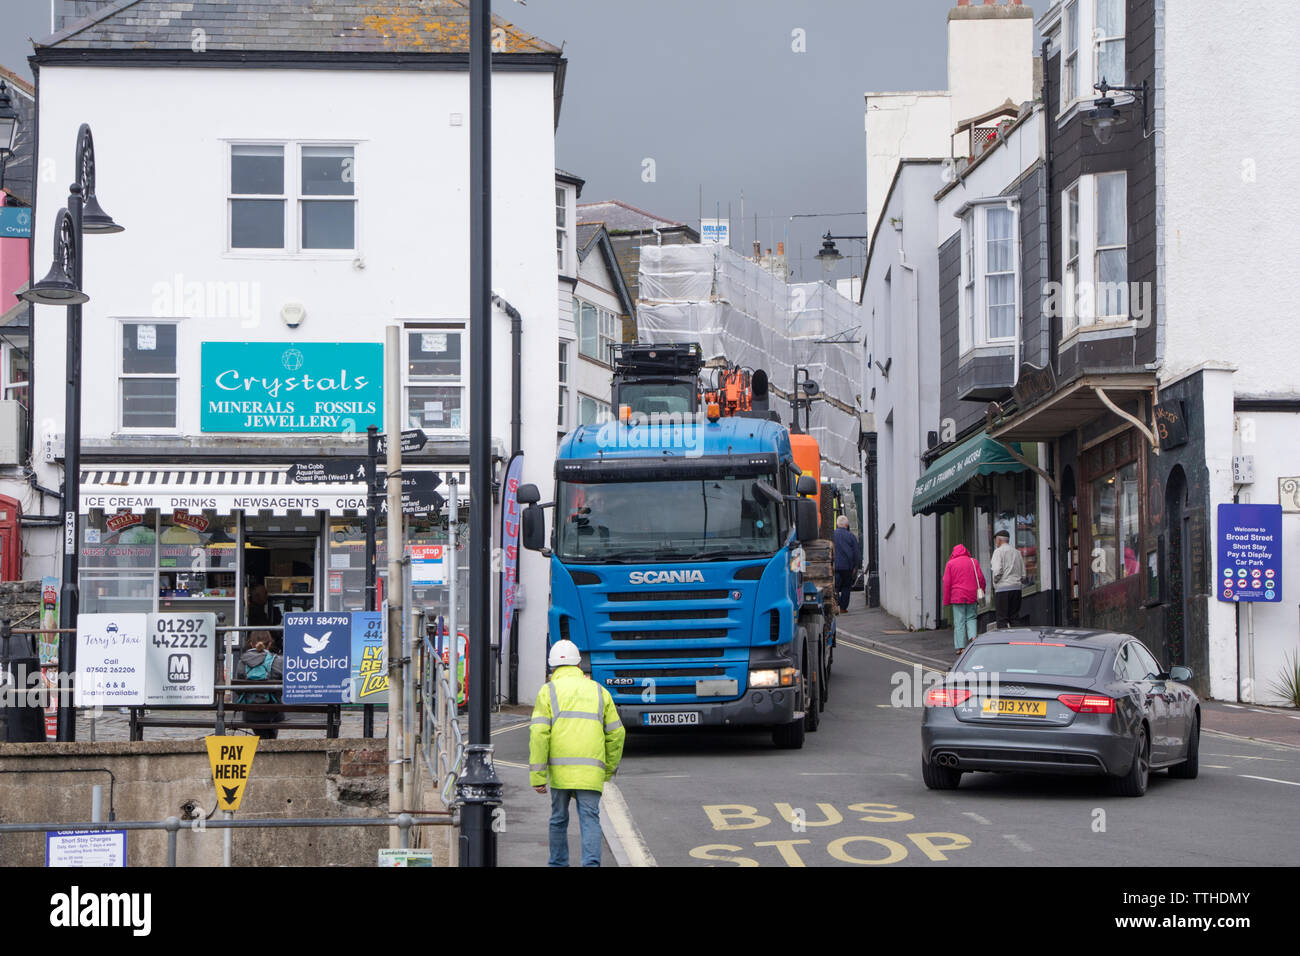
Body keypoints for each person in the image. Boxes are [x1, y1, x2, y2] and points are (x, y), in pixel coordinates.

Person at [529, 639, 625, 867]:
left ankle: (558, 863)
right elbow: (617, 734)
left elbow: (538, 735)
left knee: (558, 819)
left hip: (560, 773)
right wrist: (608, 769)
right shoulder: (599, 691)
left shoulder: (547, 691)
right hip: (591, 771)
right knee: (590, 818)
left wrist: (538, 776)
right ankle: (591, 864)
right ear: (579, 665)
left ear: (552, 667)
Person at [234, 632, 284, 739]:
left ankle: (264, 741)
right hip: (273, 714)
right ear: (270, 644)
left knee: (261, 729)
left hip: (250, 714)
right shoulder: (278, 661)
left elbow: (238, 690)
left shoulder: (242, 662)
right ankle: (269, 742)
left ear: (251, 644)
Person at [942, 543, 986, 657]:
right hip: (972, 594)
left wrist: (946, 600)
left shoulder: (950, 564)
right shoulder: (973, 561)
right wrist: (982, 591)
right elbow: (981, 578)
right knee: (971, 617)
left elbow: (947, 583)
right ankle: (973, 639)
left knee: (959, 621)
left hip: (957, 596)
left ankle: (960, 647)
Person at [991, 529, 1026, 629]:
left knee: (1002, 619)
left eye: (996, 540)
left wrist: (996, 582)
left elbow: (997, 571)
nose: (996, 542)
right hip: (1016, 589)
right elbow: (1023, 575)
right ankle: (1017, 640)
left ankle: (1004, 642)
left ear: (999, 540)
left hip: (1003, 589)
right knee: (1014, 617)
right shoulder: (1017, 552)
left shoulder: (998, 552)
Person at [832, 515, 862, 612]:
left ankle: (835, 604)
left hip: (835, 566)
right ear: (847, 525)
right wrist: (855, 566)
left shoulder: (832, 535)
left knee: (835, 587)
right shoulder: (851, 536)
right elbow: (856, 553)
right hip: (847, 567)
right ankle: (843, 608)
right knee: (846, 587)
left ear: (837, 524)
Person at [247, 584, 282, 652]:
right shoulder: (255, 611)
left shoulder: (259, 609)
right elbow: (265, 626)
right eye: (265, 593)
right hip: (260, 640)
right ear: (257, 596)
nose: (267, 596)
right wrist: (277, 632)